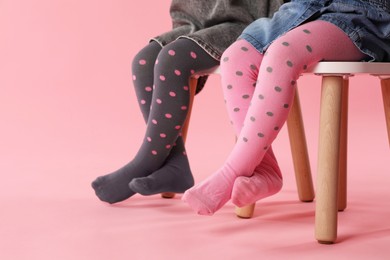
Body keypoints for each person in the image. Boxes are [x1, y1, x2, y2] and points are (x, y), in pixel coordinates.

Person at [183, 0, 390, 215]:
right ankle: (265, 168)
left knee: (282, 55)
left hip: (361, 15)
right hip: (301, 10)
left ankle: (232, 171)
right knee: (234, 58)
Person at [91, 0, 286, 204]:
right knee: (143, 62)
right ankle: (176, 163)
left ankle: (147, 160)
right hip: (195, 17)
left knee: (172, 59)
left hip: (245, 21)